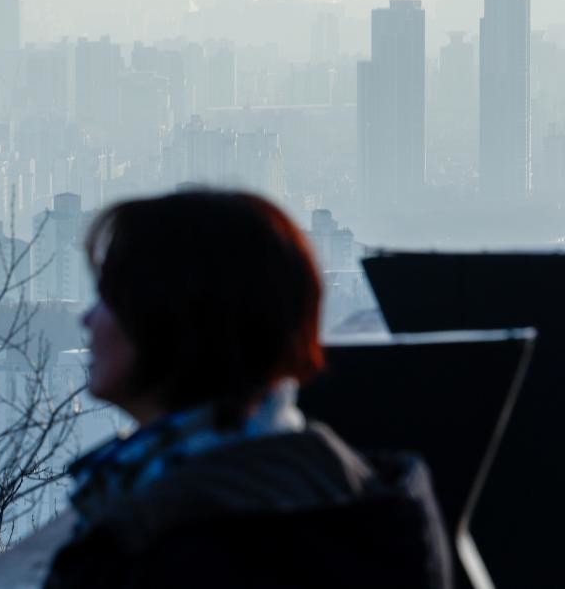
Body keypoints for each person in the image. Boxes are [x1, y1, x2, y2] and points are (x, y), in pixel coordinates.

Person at [38, 190, 453, 588]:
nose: (88, 320)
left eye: (109, 299)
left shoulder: (167, 547)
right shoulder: (361, 499)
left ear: (175, 324)